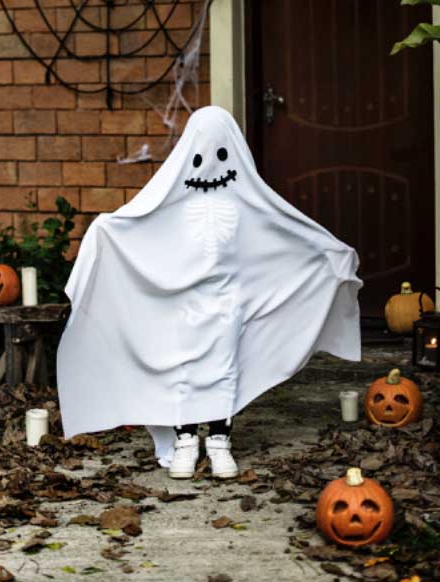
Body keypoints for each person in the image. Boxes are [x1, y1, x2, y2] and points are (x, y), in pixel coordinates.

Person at [57, 106, 362, 478]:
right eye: (200, 156)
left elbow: (284, 231)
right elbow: (143, 228)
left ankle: (219, 440)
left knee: (224, 369)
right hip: (183, 307)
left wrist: (327, 252)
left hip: (229, 305)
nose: (210, 166)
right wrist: (107, 230)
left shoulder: (247, 204)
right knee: (183, 371)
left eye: (220, 155)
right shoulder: (172, 203)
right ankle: (187, 439)